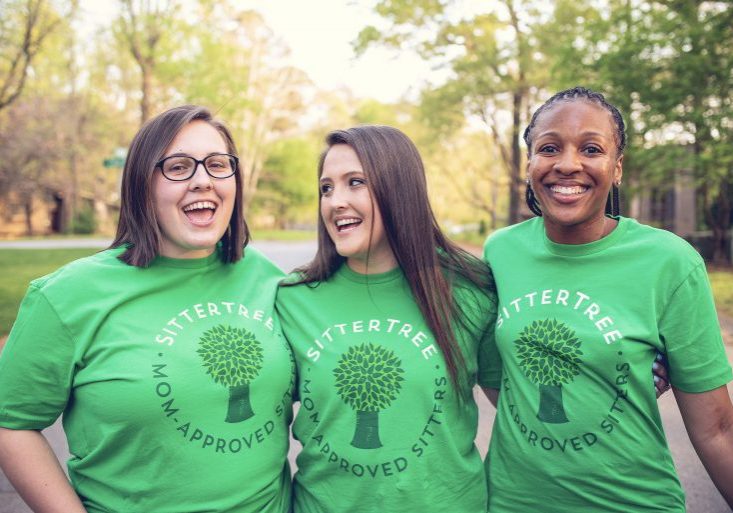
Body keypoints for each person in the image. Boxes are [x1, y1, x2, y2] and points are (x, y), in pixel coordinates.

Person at [0, 105, 294, 513]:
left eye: (217, 164)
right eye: (178, 167)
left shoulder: (268, 278)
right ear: (142, 184)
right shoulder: (68, 295)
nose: (202, 180)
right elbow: (11, 423)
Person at [480, 86, 733, 511]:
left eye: (591, 149)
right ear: (530, 164)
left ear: (617, 168)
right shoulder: (499, 252)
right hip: (512, 501)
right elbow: (492, 376)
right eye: (549, 148)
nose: (567, 164)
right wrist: (591, 387)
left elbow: (718, 430)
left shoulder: (669, 262)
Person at [275, 125, 498, 513]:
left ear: (399, 189)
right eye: (326, 188)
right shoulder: (293, 298)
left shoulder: (469, 288)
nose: (335, 202)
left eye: (355, 182)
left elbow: (517, 415)